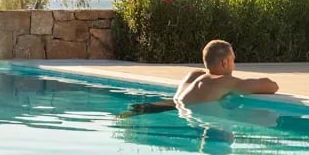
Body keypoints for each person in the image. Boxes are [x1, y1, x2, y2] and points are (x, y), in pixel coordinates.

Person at [118, 39, 278, 117]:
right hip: (189, 115)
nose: (234, 64)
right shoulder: (222, 82)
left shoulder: (193, 75)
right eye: (233, 60)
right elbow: (272, 86)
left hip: (161, 107)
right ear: (224, 62)